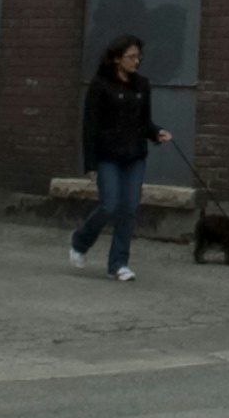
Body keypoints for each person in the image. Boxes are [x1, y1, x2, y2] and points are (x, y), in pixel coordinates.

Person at [68, 36, 171, 281]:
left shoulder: (142, 85)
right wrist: (90, 164)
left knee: (129, 209)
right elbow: (90, 127)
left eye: (139, 57)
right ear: (116, 58)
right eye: (132, 57)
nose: (137, 61)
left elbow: (144, 122)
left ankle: (118, 264)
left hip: (134, 156)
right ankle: (80, 242)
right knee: (109, 205)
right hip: (108, 156)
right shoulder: (100, 86)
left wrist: (157, 133)